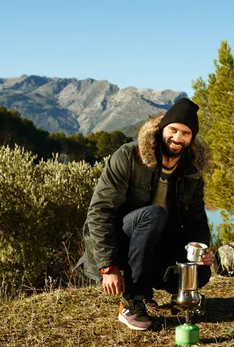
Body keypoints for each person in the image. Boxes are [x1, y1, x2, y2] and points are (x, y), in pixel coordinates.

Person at [77, 97, 212, 331]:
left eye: (186, 133)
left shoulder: (192, 171)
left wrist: (201, 251)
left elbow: (196, 220)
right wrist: (108, 265)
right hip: (122, 242)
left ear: (192, 138)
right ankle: (131, 301)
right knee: (154, 215)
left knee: (200, 271)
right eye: (173, 130)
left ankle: (155, 290)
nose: (178, 138)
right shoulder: (129, 156)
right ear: (162, 129)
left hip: (154, 242)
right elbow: (100, 212)